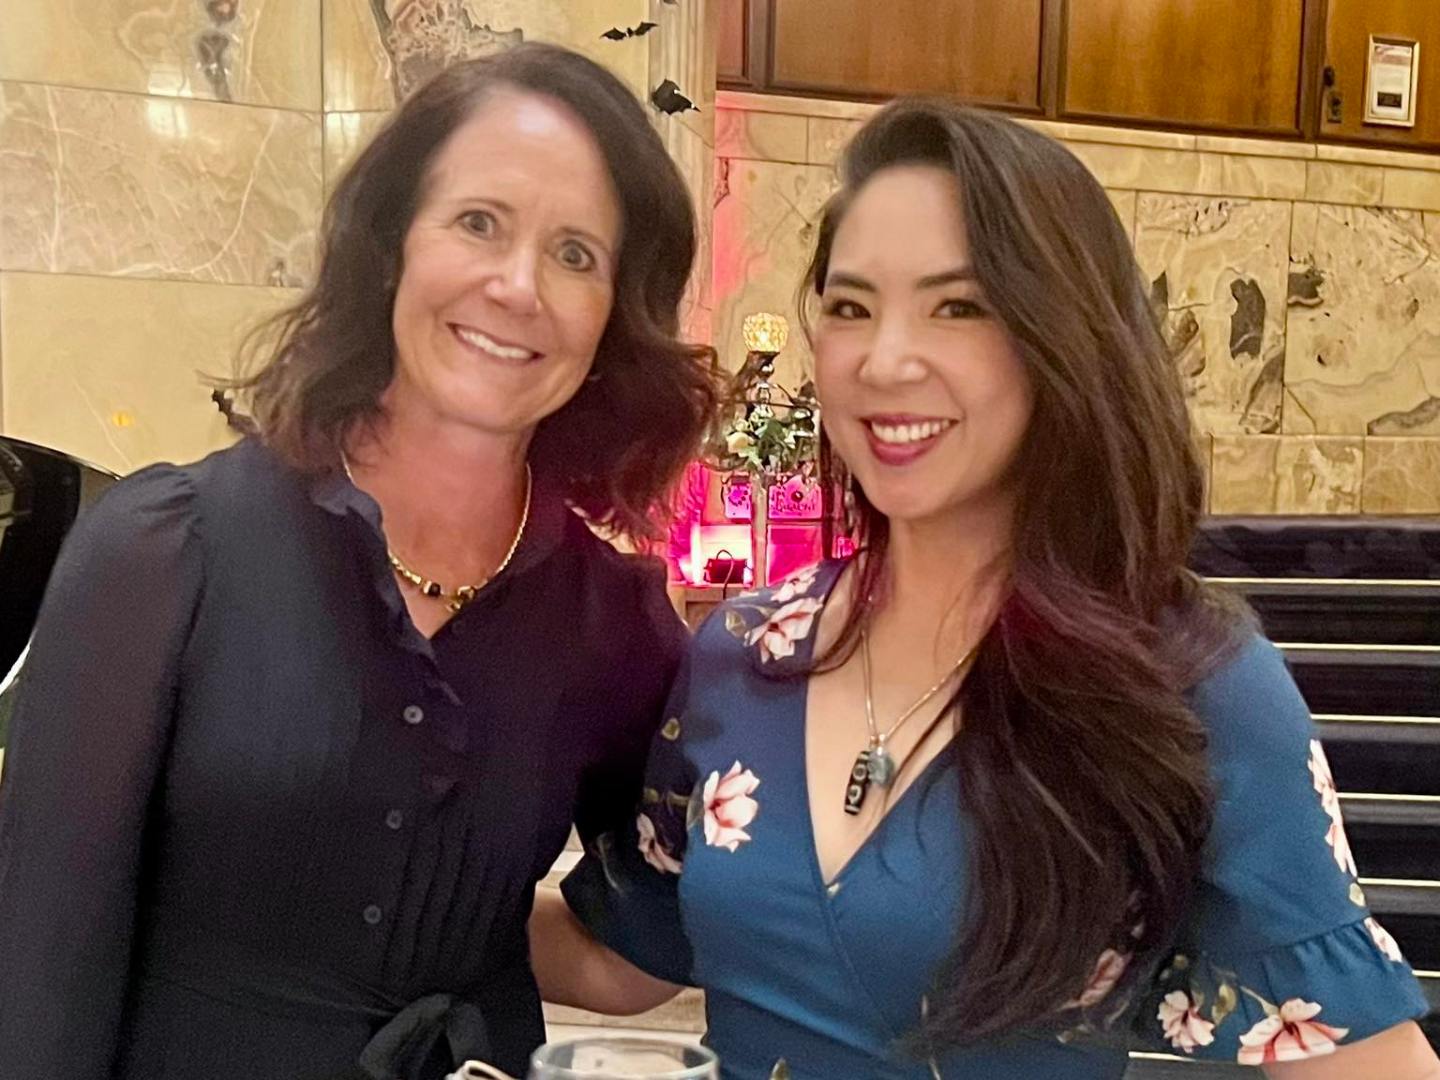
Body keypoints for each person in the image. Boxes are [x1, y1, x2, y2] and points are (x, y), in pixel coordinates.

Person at [535, 99, 1440, 1079]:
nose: (886, 360)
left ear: (1064, 340)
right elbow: (634, 953)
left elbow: (1367, 1059)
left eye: (957, 306)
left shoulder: (1182, 679)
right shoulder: (747, 649)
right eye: (849, 307)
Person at [0, 43, 716, 1080]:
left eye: (576, 254)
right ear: (391, 247)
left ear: (614, 312)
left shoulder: (615, 625)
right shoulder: (167, 551)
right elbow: (41, 968)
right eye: (479, 223)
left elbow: (642, 940)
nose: (518, 285)